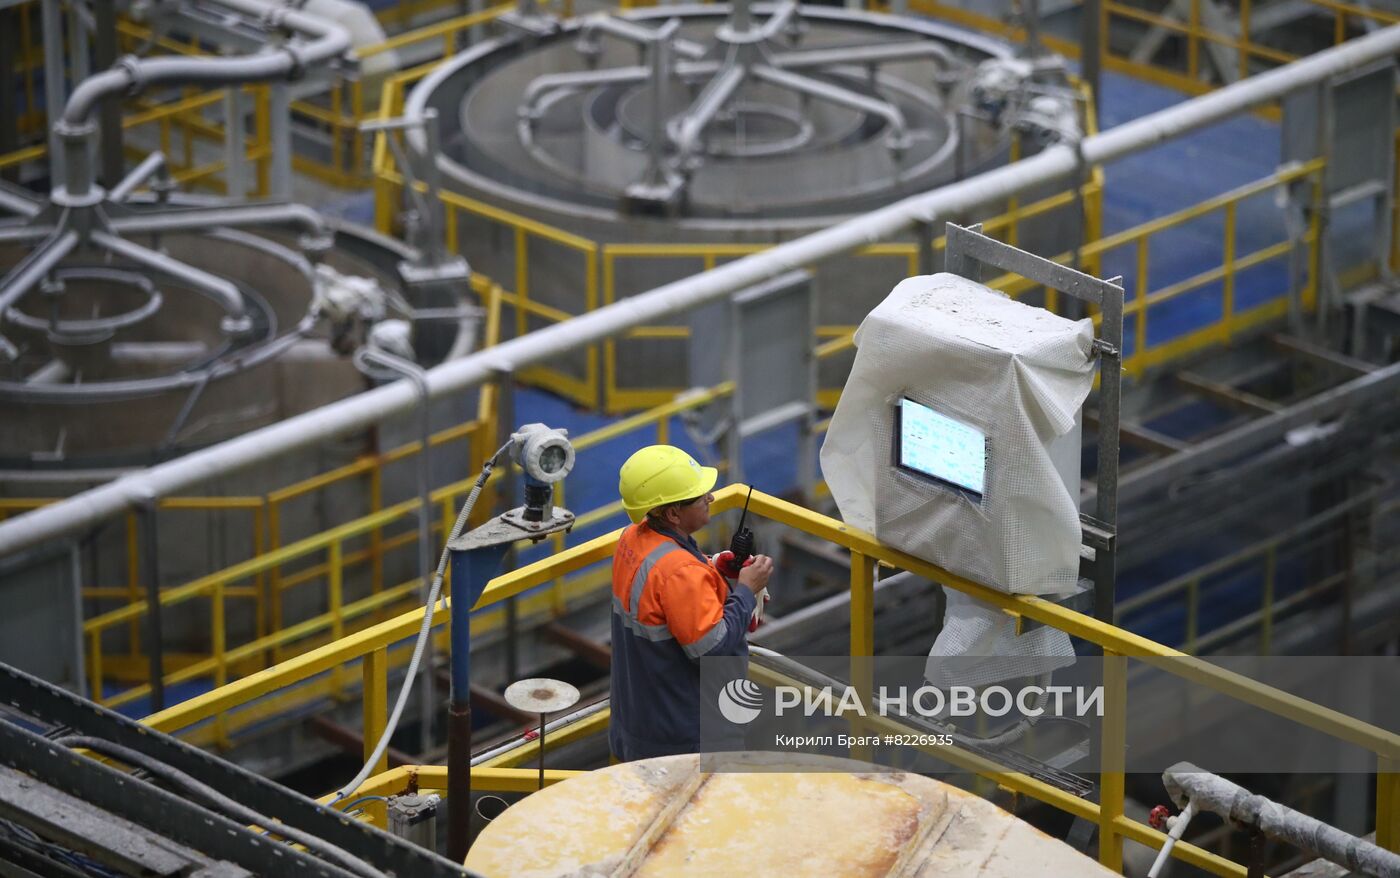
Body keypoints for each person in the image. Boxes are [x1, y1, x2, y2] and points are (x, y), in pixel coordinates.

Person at [609, 445, 773, 761]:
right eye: (699, 496)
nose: (710, 498)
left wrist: (711, 567)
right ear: (673, 513)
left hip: (637, 720)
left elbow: (663, 587)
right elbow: (713, 649)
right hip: (686, 738)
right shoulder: (681, 573)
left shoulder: (632, 539)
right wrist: (746, 590)